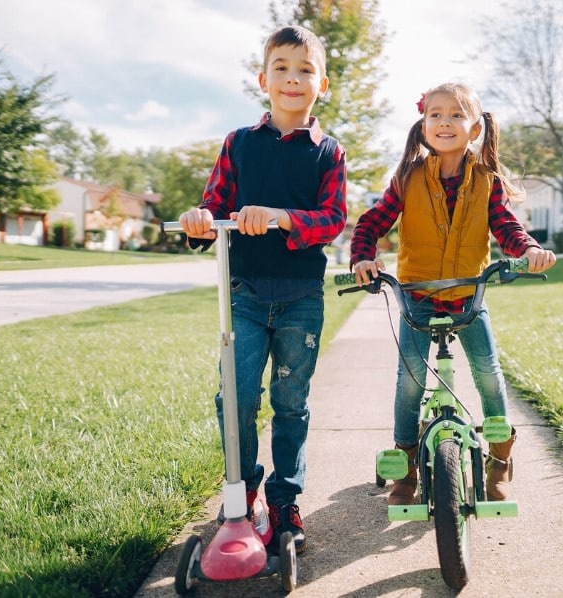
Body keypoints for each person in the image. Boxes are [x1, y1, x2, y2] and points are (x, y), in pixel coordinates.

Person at [178, 25, 346, 553]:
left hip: (300, 296)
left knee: (291, 401)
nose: (293, 79)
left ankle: (284, 499)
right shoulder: (239, 143)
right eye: (282, 68)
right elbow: (215, 204)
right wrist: (200, 220)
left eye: (305, 70)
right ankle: (244, 485)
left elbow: (333, 218)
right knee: (236, 396)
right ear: (263, 79)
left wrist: (280, 217)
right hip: (245, 294)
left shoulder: (328, 153)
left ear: (322, 85)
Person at [350, 82, 555, 505]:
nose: (445, 122)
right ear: (424, 125)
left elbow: (507, 228)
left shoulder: (487, 181)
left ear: (474, 127)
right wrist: (363, 259)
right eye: (436, 114)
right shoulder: (407, 178)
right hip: (417, 297)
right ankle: (406, 469)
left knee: (488, 375)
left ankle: (499, 463)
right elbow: (371, 224)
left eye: (456, 114)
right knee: (410, 382)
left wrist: (530, 250)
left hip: (468, 296)